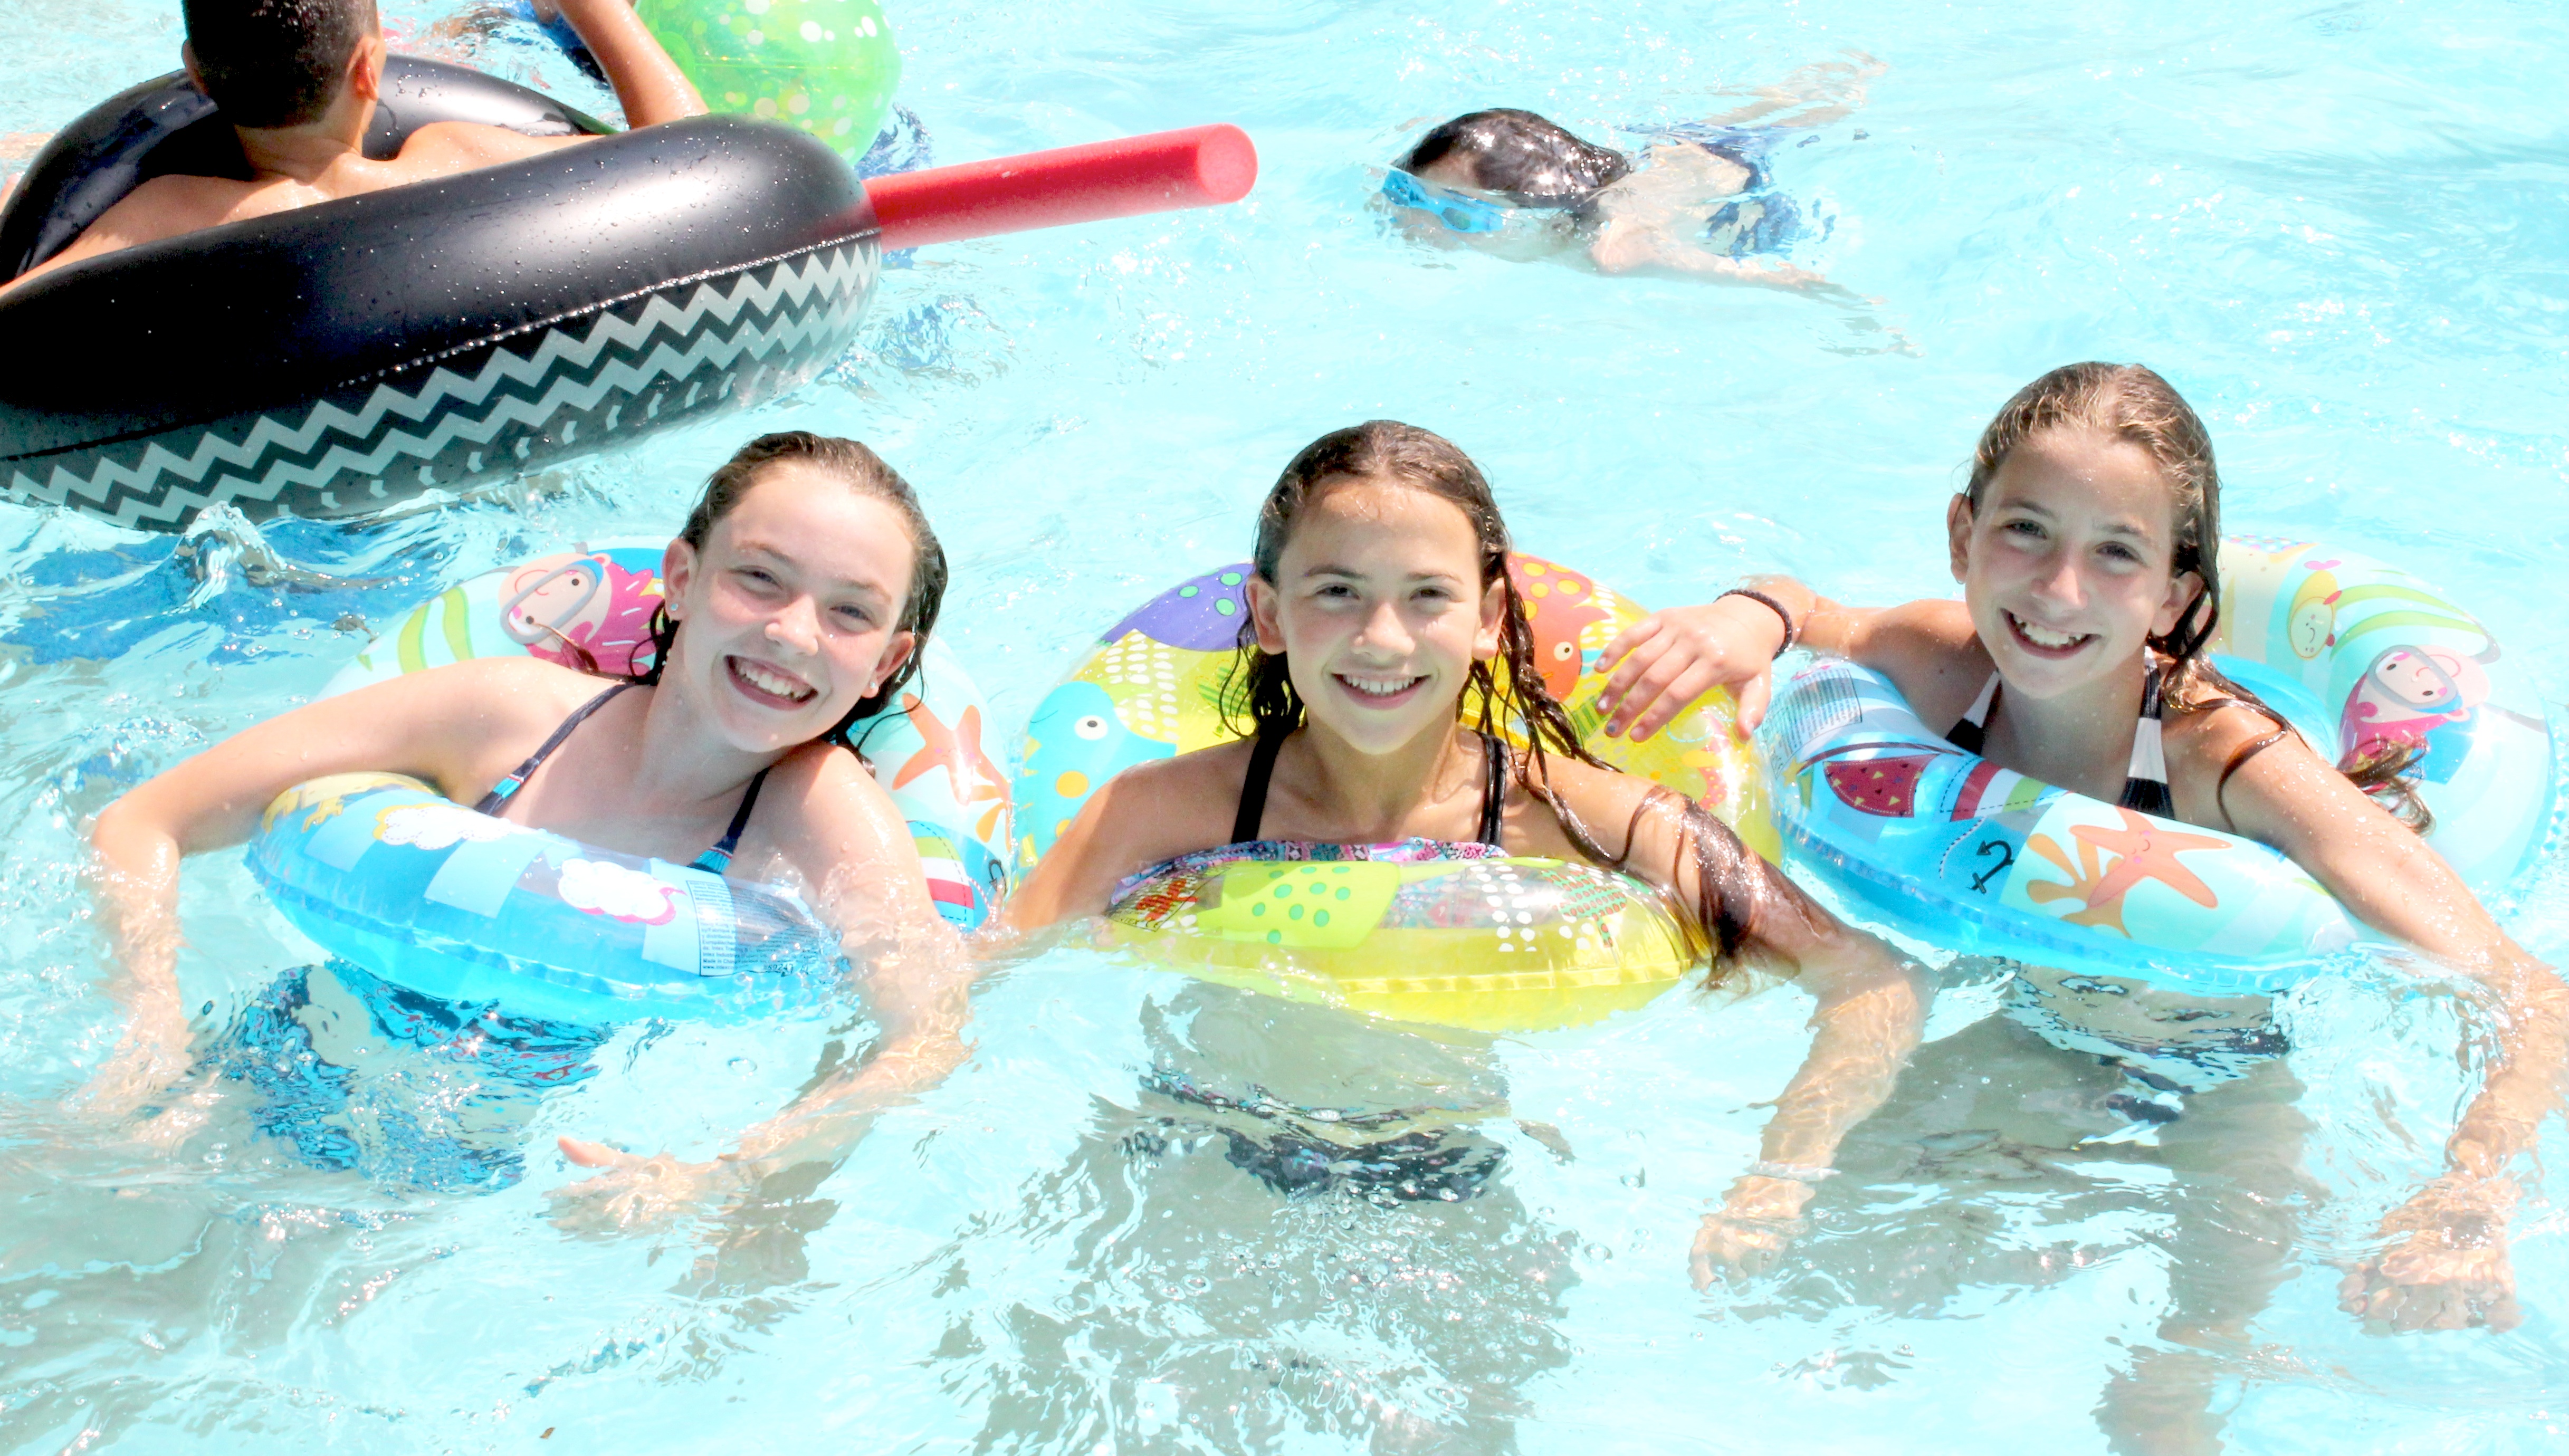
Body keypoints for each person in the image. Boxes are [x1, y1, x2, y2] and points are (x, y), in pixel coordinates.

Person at [1587, 362, 2569, 1336]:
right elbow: (1802, 608)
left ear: (2171, 594)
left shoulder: (2222, 762)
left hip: (2222, 1061)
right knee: (1823, 1287)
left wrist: (2470, 1196)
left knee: (2170, 1381)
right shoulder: (1947, 663)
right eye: (2025, 531)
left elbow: (2525, 992)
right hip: (2039, 1024)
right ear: (1961, 535)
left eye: (2114, 553)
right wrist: (1744, 618)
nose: (2058, 590)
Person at [1003, 419, 1927, 1285]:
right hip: (1192, 1148)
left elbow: (1865, 980)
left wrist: (1780, 1176)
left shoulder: (1582, 818)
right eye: (1335, 592)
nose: (1381, 639)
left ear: (1488, 617)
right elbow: (989, 966)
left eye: (1426, 597)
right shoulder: (1159, 811)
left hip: (1452, 1175)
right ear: (1269, 614)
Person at [82, 433, 973, 1217]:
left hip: (487, 1174)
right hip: (257, 1061)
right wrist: (148, 1032)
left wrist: (718, 1175)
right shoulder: (506, 717)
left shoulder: (820, 816)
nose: (793, 633)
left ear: (886, 663)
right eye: (759, 578)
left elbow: (925, 1036)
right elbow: (143, 822)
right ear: (682, 580)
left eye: (849, 611)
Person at [1, 0, 704, 294]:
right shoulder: (454, 153)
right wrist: (594, 9)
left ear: (195, 73)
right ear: (374, 68)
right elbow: (691, 160)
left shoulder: (167, 210)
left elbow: (20, 311)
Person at [1378, 56, 1880, 290]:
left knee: (1807, 115)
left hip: (1732, 171)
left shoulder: (1610, 249)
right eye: (1408, 193)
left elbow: (1751, 275)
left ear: (1544, 219)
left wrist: (1826, 295)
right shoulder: (1434, 186)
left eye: (1463, 217)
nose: (1419, 222)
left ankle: (1843, 86)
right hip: (1657, 143)